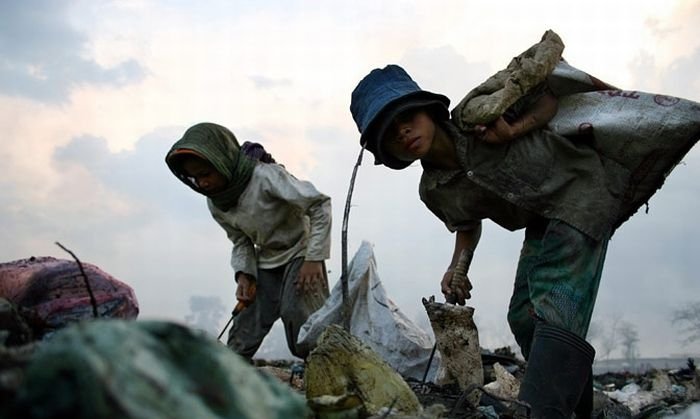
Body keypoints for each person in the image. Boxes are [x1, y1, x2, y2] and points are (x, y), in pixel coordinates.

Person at [349, 50, 699, 416]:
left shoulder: (477, 118)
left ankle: (544, 411)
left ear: (429, 110)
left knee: (555, 302)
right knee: (522, 315)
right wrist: (458, 267)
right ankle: (584, 409)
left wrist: (515, 128)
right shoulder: (435, 190)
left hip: (581, 191)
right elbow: (467, 224)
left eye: (407, 117)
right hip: (543, 218)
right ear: (385, 151)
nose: (402, 131)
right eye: (389, 133)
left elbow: (548, 98)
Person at [165, 122, 331, 361]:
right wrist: (245, 275)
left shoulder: (265, 176)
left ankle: (326, 370)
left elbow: (319, 204)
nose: (202, 183)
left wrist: (314, 258)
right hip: (266, 258)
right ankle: (230, 375)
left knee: (298, 316)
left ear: (222, 160)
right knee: (246, 321)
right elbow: (240, 240)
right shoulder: (217, 202)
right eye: (196, 177)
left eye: (206, 174)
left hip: (300, 251)